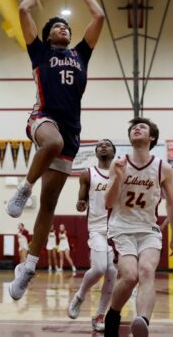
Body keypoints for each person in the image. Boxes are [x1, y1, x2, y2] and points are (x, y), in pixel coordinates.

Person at [5, 0, 105, 300]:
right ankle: (24, 187)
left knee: (49, 205)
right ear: (48, 36)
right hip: (43, 118)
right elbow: (23, 10)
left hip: (73, 130)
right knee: (52, 143)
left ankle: (29, 268)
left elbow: (99, 16)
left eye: (66, 26)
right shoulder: (39, 53)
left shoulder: (80, 55)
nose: (62, 28)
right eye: (56, 27)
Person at [103, 117, 173, 337]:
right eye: (133, 128)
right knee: (129, 276)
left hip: (148, 230)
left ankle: (142, 321)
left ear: (152, 137)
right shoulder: (118, 164)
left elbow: (171, 204)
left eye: (142, 127)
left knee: (147, 270)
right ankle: (113, 315)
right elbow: (108, 203)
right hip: (121, 228)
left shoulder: (162, 168)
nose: (137, 128)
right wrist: (118, 177)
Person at [67, 139, 117, 332]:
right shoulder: (88, 174)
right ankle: (79, 296)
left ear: (114, 151)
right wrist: (81, 203)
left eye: (108, 144)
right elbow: (81, 200)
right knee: (100, 268)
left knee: (112, 273)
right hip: (97, 227)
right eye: (100, 145)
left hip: (118, 228)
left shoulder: (120, 173)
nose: (103, 146)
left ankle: (99, 315)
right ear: (96, 152)